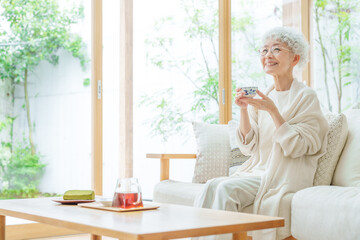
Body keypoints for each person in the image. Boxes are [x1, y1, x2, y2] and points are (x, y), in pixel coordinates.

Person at [194, 27, 329, 240]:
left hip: (283, 176)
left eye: (276, 49)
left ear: (295, 58)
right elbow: (249, 146)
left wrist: (273, 110)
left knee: (225, 188)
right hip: (257, 171)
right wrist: (244, 109)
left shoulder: (306, 97)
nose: (268, 55)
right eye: (264, 50)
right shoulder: (266, 95)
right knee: (213, 184)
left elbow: (299, 147)